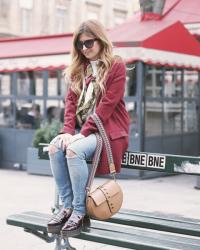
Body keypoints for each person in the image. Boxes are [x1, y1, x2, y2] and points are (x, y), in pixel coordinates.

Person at [47, 19, 130, 238]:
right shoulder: (79, 69)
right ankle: (67, 207)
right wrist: (67, 132)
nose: (84, 49)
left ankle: (80, 210)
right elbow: (71, 103)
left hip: (108, 130)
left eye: (89, 43)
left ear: (101, 40)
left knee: (74, 150)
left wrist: (81, 134)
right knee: (55, 147)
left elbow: (106, 106)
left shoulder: (116, 65)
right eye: (80, 45)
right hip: (87, 132)